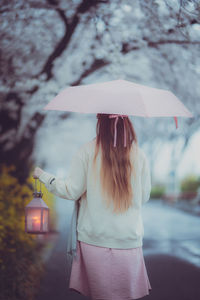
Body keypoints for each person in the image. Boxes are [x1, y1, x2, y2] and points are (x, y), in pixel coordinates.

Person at [33, 113, 152, 300]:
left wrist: (43, 175)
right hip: (129, 241)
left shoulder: (87, 151)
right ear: (127, 124)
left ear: (101, 124)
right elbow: (144, 196)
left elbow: (71, 190)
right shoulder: (139, 155)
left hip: (94, 240)